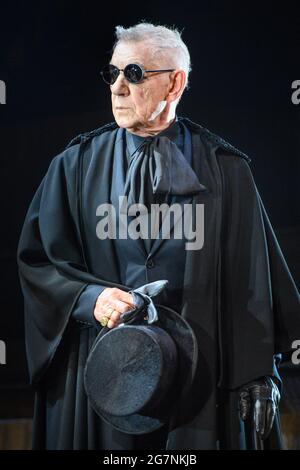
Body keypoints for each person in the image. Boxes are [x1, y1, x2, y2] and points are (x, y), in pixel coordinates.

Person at [17, 22, 300, 450]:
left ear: (175, 83)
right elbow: (37, 261)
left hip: (202, 386)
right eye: (111, 74)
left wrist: (259, 372)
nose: (117, 88)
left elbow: (254, 283)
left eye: (133, 74)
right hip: (106, 375)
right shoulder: (72, 167)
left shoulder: (227, 171)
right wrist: (89, 299)